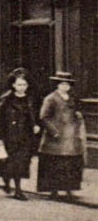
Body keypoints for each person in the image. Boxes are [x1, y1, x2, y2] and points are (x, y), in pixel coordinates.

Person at [37, 71, 85, 200]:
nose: (65, 87)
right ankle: (54, 190)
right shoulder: (50, 98)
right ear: (57, 85)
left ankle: (69, 189)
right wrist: (54, 132)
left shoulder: (72, 99)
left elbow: (77, 113)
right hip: (55, 138)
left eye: (67, 84)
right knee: (55, 163)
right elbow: (43, 117)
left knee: (70, 163)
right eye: (62, 84)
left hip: (71, 137)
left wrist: (78, 118)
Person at [0, 68, 39, 200]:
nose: (22, 87)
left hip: (26, 135)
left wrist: (36, 125)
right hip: (10, 135)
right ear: (13, 85)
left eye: (24, 85)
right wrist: (0, 138)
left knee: (22, 162)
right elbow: (0, 120)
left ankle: (13, 183)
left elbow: (35, 116)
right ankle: (17, 189)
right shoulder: (6, 100)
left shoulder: (30, 100)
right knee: (14, 162)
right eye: (19, 84)